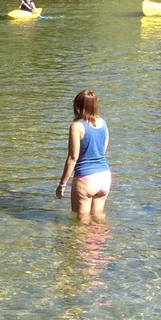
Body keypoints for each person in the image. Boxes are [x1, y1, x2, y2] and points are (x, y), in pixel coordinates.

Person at [55, 89, 111, 221]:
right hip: (104, 176)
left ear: (78, 106)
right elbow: (102, 150)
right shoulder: (103, 123)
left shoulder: (77, 126)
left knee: (81, 223)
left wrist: (62, 184)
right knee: (98, 217)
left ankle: (79, 242)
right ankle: (101, 241)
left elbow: (73, 157)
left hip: (86, 178)